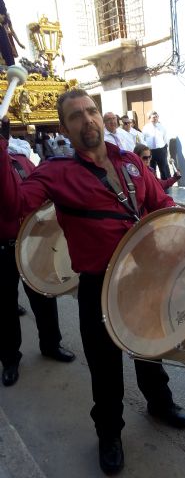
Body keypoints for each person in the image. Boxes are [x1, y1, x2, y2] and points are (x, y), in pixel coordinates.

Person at [0, 89, 185, 475]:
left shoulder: (130, 163)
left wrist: (177, 235)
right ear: (65, 127)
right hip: (98, 285)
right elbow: (14, 206)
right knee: (105, 369)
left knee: (149, 349)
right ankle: (109, 433)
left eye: (91, 111)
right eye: (75, 116)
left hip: (144, 275)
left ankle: (159, 402)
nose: (87, 119)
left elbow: (160, 204)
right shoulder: (55, 173)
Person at [0, 125, 75, 387]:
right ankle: (10, 358)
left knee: (44, 295)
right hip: (2, 248)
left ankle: (51, 344)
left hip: (30, 243)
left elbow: (38, 198)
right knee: (5, 307)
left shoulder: (21, 160)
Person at [142, 110, 171, 179]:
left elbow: (165, 139)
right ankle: (155, 185)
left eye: (156, 117)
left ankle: (165, 185)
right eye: (153, 117)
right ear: (149, 118)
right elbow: (143, 140)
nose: (155, 119)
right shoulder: (146, 128)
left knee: (163, 168)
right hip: (150, 151)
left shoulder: (162, 127)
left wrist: (166, 150)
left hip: (161, 150)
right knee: (152, 169)